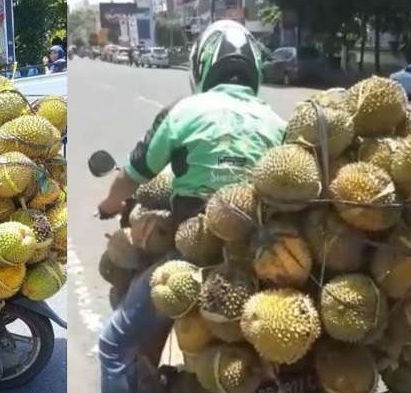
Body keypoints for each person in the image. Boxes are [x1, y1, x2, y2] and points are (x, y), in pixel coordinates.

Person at [96, 20, 287, 393]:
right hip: (259, 261)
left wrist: (109, 203)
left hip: (194, 259)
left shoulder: (183, 112)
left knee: (113, 345)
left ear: (202, 65)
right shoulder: (277, 124)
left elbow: (132, 175)